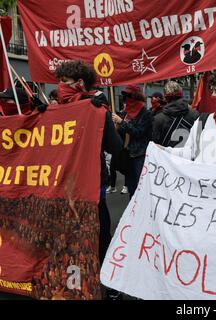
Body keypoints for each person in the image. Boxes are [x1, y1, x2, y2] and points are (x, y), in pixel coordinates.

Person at [53, 60, 123, 300]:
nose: (60, 87)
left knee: (91, 238)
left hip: (82, 189)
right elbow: (115, 148)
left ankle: (104, 283)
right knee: (95, 238)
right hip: (76, 189)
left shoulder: (93, 110)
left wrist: (103, 118)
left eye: (64, 82)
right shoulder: (59, 111)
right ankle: (103, 284)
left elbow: (113, 147)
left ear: (79, 83)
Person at [112, 85, 153, 199]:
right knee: (131, 188)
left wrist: (122, 123)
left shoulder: (146, 113)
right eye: (125, 96)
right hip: (127, 154)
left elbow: (139, 132)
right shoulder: (125, 112)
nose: (127, 99)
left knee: (140, 187)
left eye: (130, 95)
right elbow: (121, 132)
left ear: (136, 96)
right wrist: (116, 125)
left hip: (140, 154)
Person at [152, 81, 199, 148]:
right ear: (181, 95)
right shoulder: (195, 114)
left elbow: (154, 146)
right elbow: (199, 139)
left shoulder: (158, 119)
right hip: (189, 157)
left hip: (166, 158)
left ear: (165, 98)